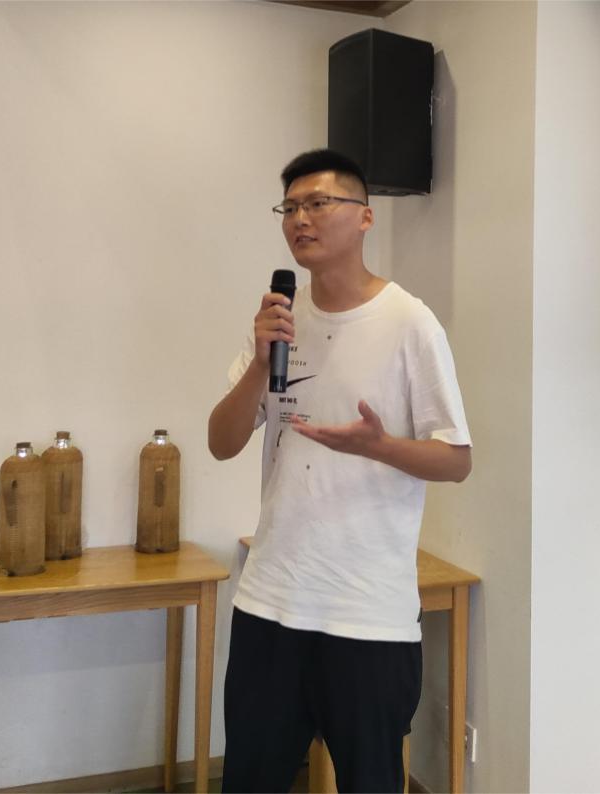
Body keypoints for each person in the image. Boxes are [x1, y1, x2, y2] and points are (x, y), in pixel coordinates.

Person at [208, 149, 472, 792]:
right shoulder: (277, 321)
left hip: (367, 615)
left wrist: (379, 447)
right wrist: (258, 363)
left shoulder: (410, 322)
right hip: (270, 603)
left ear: (364, 218)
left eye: (319, 203)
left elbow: (456, 459)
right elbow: (221, 443)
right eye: (290, 207)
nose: (301, 219)